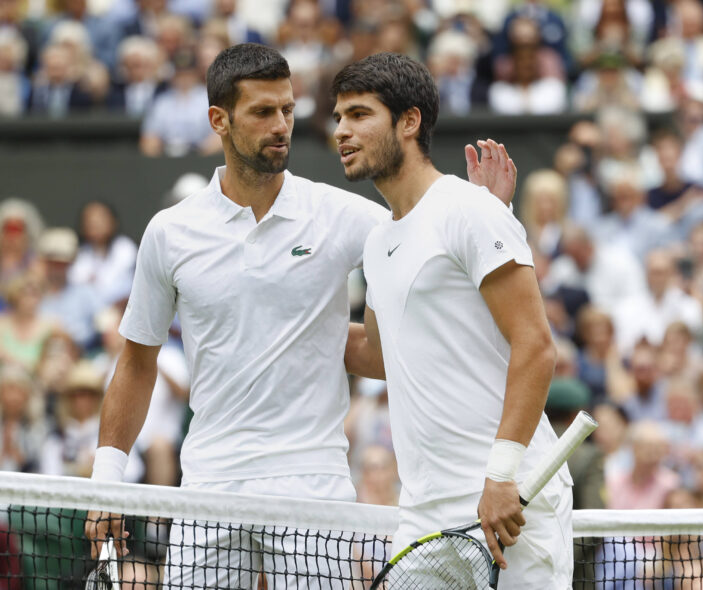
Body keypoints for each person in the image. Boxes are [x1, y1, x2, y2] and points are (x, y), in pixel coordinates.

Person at [85, 43, 513, 588]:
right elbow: (137, 363)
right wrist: (106, 483)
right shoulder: (169, 232)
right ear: (219, 120)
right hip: (208, 486)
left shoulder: (348, 215)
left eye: (287, 110)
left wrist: (490, 215)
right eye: (263, 112)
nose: (281, 124)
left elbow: (434, 284)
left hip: (314, 485)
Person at [332, 52, 572, 588]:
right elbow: (376, 352)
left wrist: (502, 475)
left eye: (359, 115)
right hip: (423, 512)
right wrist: (269, 324)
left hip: (510, 497)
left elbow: (536, 346)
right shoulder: (378, 241)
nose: (342, 131)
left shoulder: (468, 208)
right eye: (338, 118)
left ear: (409, 121)